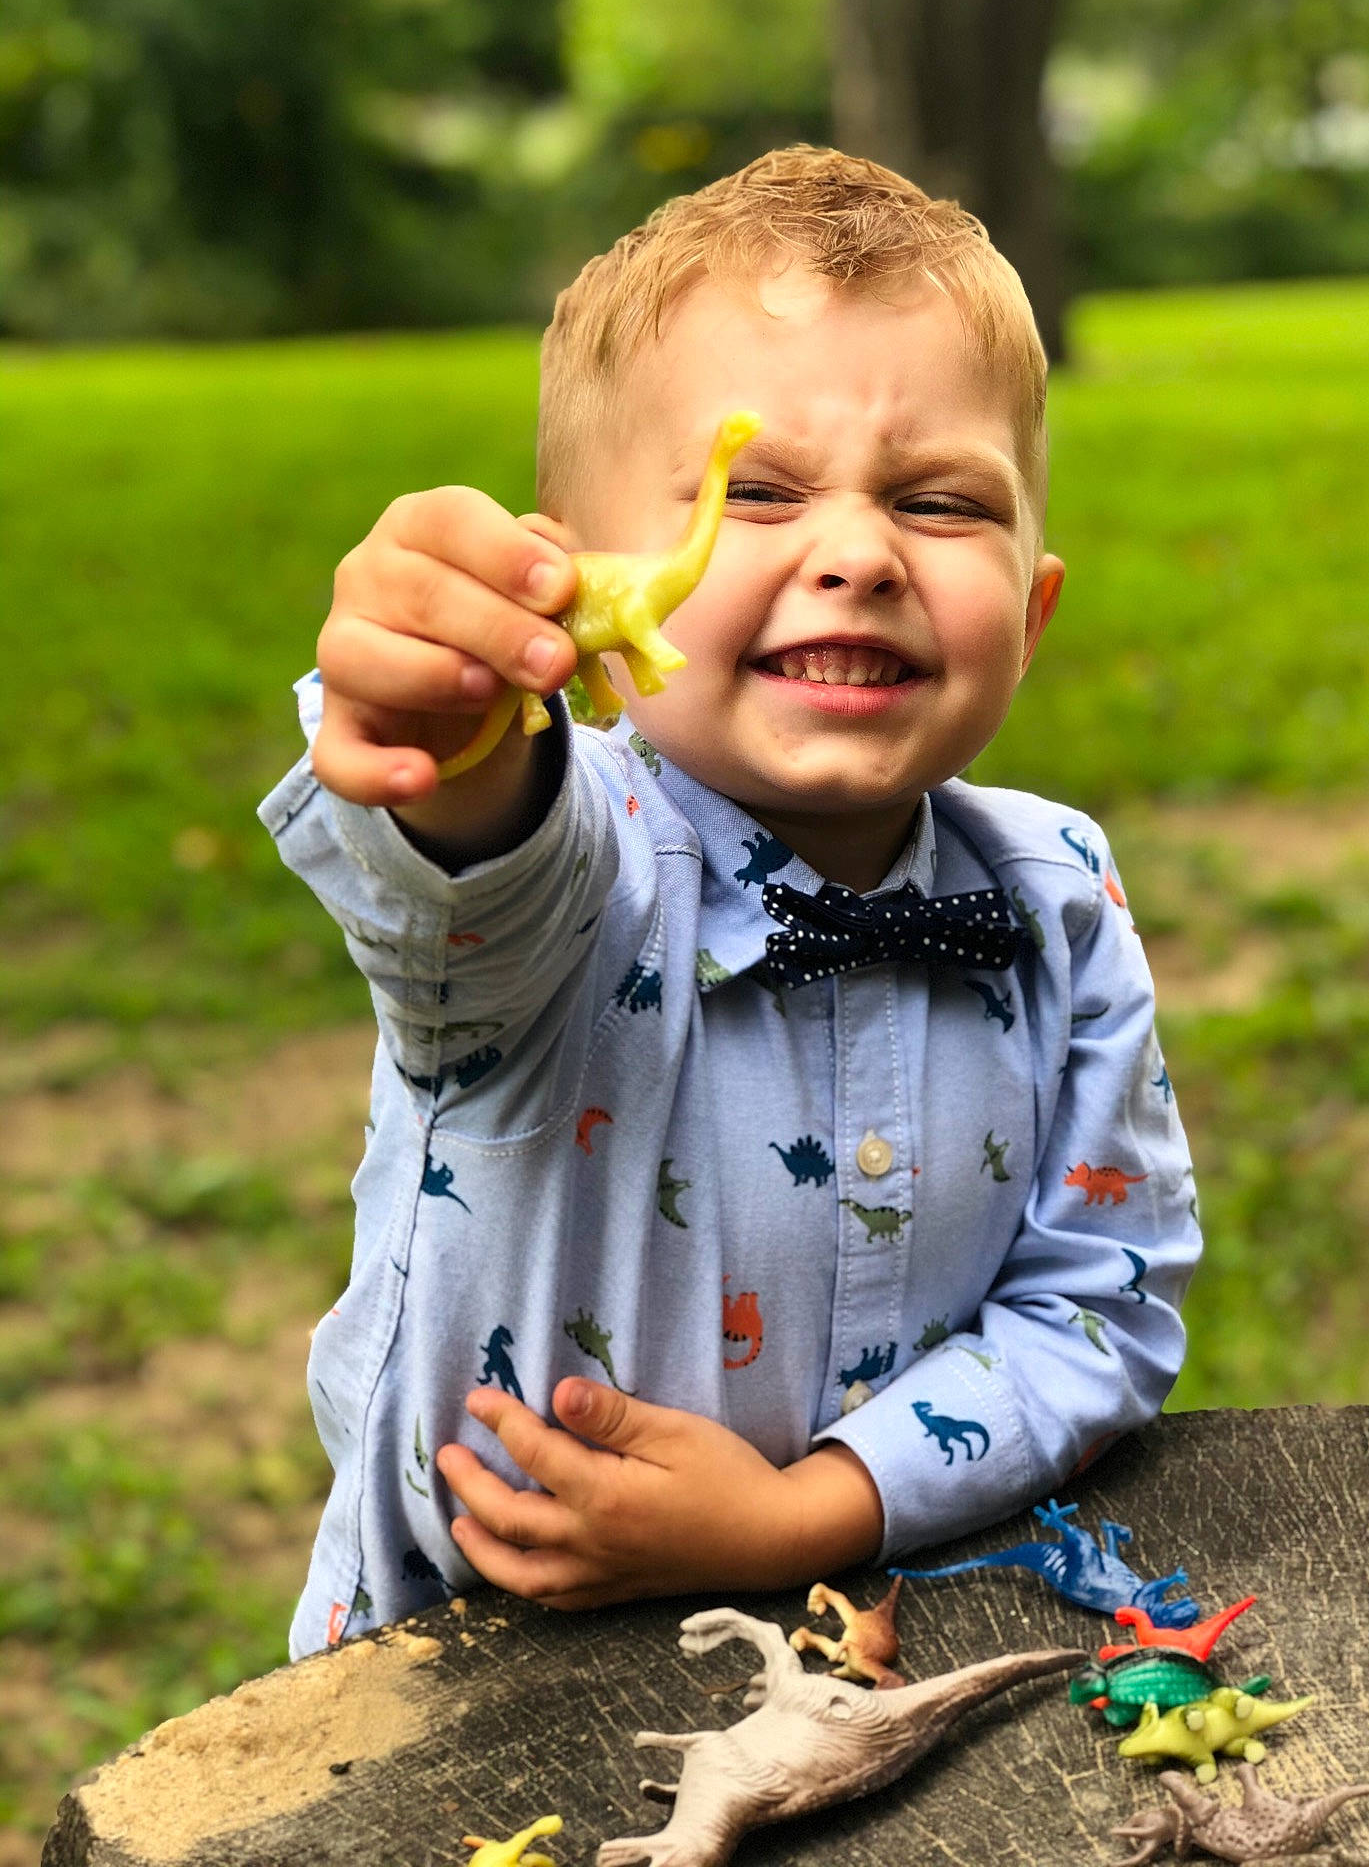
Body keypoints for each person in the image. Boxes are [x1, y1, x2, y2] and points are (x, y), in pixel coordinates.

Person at [260, 146, 1200, 1657]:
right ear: (574, 597)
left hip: (897, 1641)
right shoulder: (573, 867)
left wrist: (803, 1512)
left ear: (1031, 614)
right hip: (464, 1682)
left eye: (941, 503)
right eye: (751, 493)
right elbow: (467, 866)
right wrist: (449, 725)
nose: (858, 555)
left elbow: (1100, 1307)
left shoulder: (1058, 902)